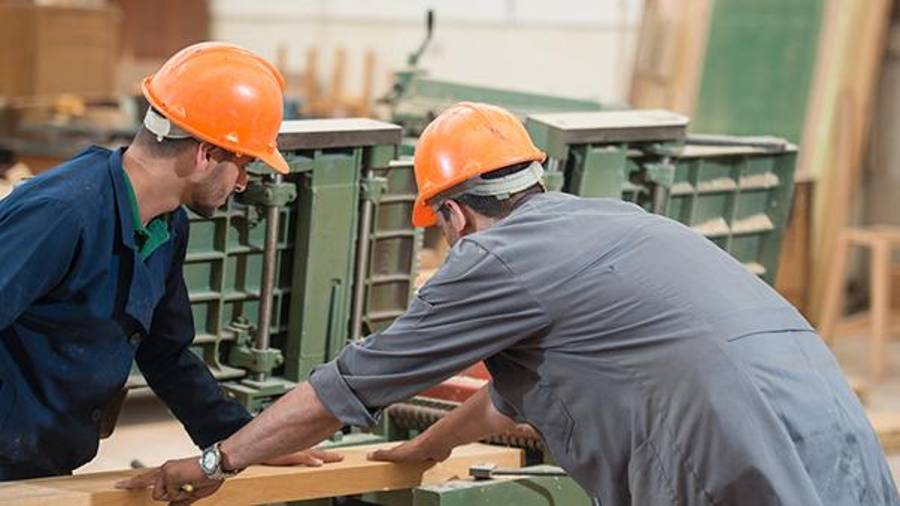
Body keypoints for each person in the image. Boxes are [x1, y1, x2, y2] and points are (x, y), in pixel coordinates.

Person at [121, 102, 899, 505]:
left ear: (452, 215)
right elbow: (506, 400)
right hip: (833, 437)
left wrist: (216, 459)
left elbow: (347, 389)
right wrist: (427, 449)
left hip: (729, 463)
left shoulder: (496, 258)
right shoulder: (608, 220)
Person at [0, 42, 339, 483]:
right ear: (205, 155)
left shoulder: (166, 225)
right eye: (244, 164)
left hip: (42, 467)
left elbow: (166, 353)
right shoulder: (62, 214)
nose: (242, 184)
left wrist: (243, 440)